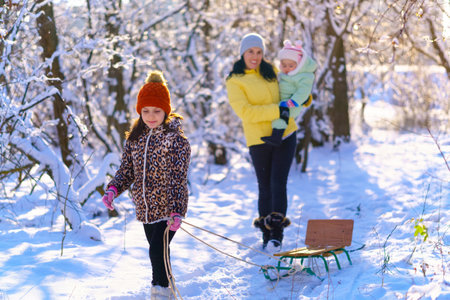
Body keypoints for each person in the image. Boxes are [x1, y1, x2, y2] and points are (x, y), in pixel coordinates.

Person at [102, 70, 191, 300]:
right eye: (146, 111)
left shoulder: (176, 140)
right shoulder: (135, 138)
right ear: (140, 111)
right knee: (159, 252)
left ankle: (159, 291)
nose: (151, 116)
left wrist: (177, 210)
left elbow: (178, 180)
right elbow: (127, 170)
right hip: (145, 209)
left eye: (157, 111)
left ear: (166, 111)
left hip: (167, 210)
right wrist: (113, 189)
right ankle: (167, 287)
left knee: (156, 251)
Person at [225, 33, 301, 249]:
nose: (255, 56)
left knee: (279, 183)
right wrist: (278, 109)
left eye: (259, 52)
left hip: (286, 133)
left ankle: (277, 234)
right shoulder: (235, 80)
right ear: (242, 53)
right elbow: (246, 112)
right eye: (251, 51)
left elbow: (288, 89)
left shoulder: (271, 72)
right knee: (265, 186)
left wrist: (302, 96)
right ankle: (266, 234)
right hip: (259, 139)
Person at [261, 40, 317, 146]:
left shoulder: (304, 77)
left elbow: (303, 91)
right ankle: (276, 136)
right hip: (284, 101)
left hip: (293, 104)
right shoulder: (285, 74)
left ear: (299, 64)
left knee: (280, 116)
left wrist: (293, 101)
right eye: (284, 65)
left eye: (290, 66)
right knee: (277, 115)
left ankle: (276, 137)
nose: (287, 68)